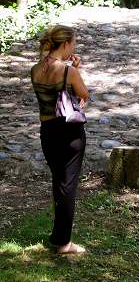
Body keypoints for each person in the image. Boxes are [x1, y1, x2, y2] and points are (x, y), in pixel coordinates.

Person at [30, 25, 89, 254]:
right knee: (68, 186)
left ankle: (58, 234)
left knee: (59, 182)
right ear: (65, 44)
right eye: (73, 43)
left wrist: (71, 71)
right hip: (68, 133)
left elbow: (51, 98)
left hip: (47, 131)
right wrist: (75, 71)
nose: (74, 47)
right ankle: (64, 242)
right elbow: (83, 95)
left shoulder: (35, 69)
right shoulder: (68, 72)